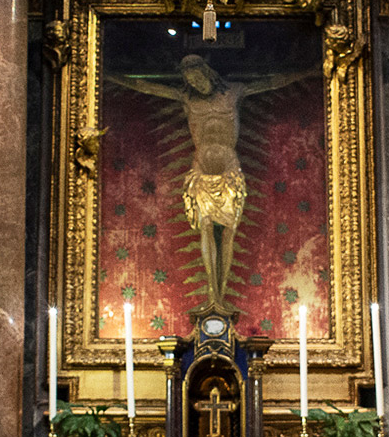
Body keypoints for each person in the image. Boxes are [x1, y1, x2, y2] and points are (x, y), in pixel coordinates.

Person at [108, 56, 316, 312]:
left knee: (228, 233)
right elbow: (148, 87)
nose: (196, 84)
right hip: (201, 168)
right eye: (191, 81)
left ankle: (222, 294)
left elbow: (272, 83)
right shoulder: (188, 99)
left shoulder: (234, 93)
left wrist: (308, 71)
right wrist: (111, 76)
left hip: (229, 168)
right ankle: (211, 294)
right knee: (205, 229)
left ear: (208, 73)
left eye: (198, 78)